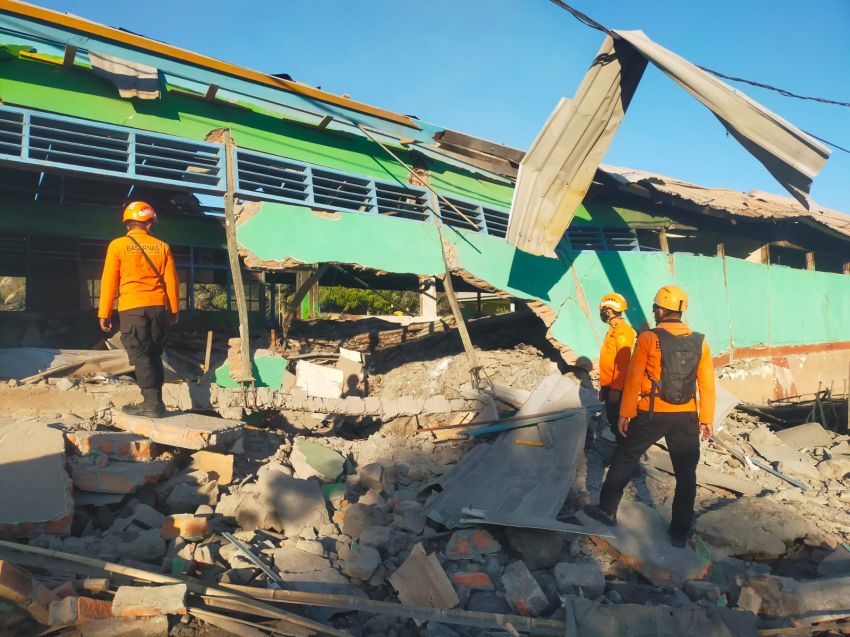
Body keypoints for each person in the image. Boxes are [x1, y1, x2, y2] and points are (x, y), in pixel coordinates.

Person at [585, 285, 715, 547]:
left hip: (652, 412)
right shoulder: (700, 341)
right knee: (686, 473)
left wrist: (625, 413)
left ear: (662, 309)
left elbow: (634, 379)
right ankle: (679, 532)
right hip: (687, 414)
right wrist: (706, 419)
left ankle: (606, 510)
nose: (654, 311)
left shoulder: (647, 339)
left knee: (626, 456)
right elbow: (707, 383)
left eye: (655, 307)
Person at [98, 202, 179, 417]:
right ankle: (157, 402)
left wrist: (104, 312)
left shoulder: (117, 246)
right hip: (158, 308)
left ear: (128, 223)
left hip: (132, 307)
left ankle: (151, 404)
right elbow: (172, 282)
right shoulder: (162, 247)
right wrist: (173, 311)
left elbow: (109, 282)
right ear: (149, 224)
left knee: (141, 354)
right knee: (154, 353)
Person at [597, 293, 636, 438]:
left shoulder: (623, 331)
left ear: (609, 310)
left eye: (603, 310)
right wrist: (604, 387)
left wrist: (616, 390)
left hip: (616, 387)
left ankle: (624, 454)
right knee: (613, 422)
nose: (602, 313)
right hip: (610, 386)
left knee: (619, 425)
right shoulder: (613, 329)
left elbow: (622, 363)